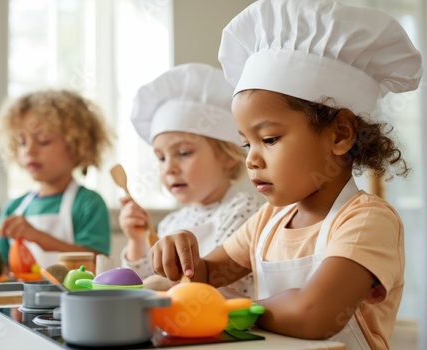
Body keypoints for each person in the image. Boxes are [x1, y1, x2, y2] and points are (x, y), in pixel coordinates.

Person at [150, 1, 423, 349]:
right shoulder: (268, 221)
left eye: (269, 139)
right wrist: (180, 254)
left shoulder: (367, 220)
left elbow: (315, 315)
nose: (252, 160)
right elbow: (202, 276)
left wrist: (232, 307)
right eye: (247, 144)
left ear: (339, 135)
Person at [119, 63, 262, 297]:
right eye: (161, 158)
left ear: (227, 157)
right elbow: (141, 282)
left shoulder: (243, 210)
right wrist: (137, 240)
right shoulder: (171, 223)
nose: (169, 168)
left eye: (183, 153)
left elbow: (219, 283)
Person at [0, 89, 113, 269]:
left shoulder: (88, 203)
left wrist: (39, 238)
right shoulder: (13, 208)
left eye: (43, 141)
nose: (29, 151)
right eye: (22, 142)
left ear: (76, 145)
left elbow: (97, 263)